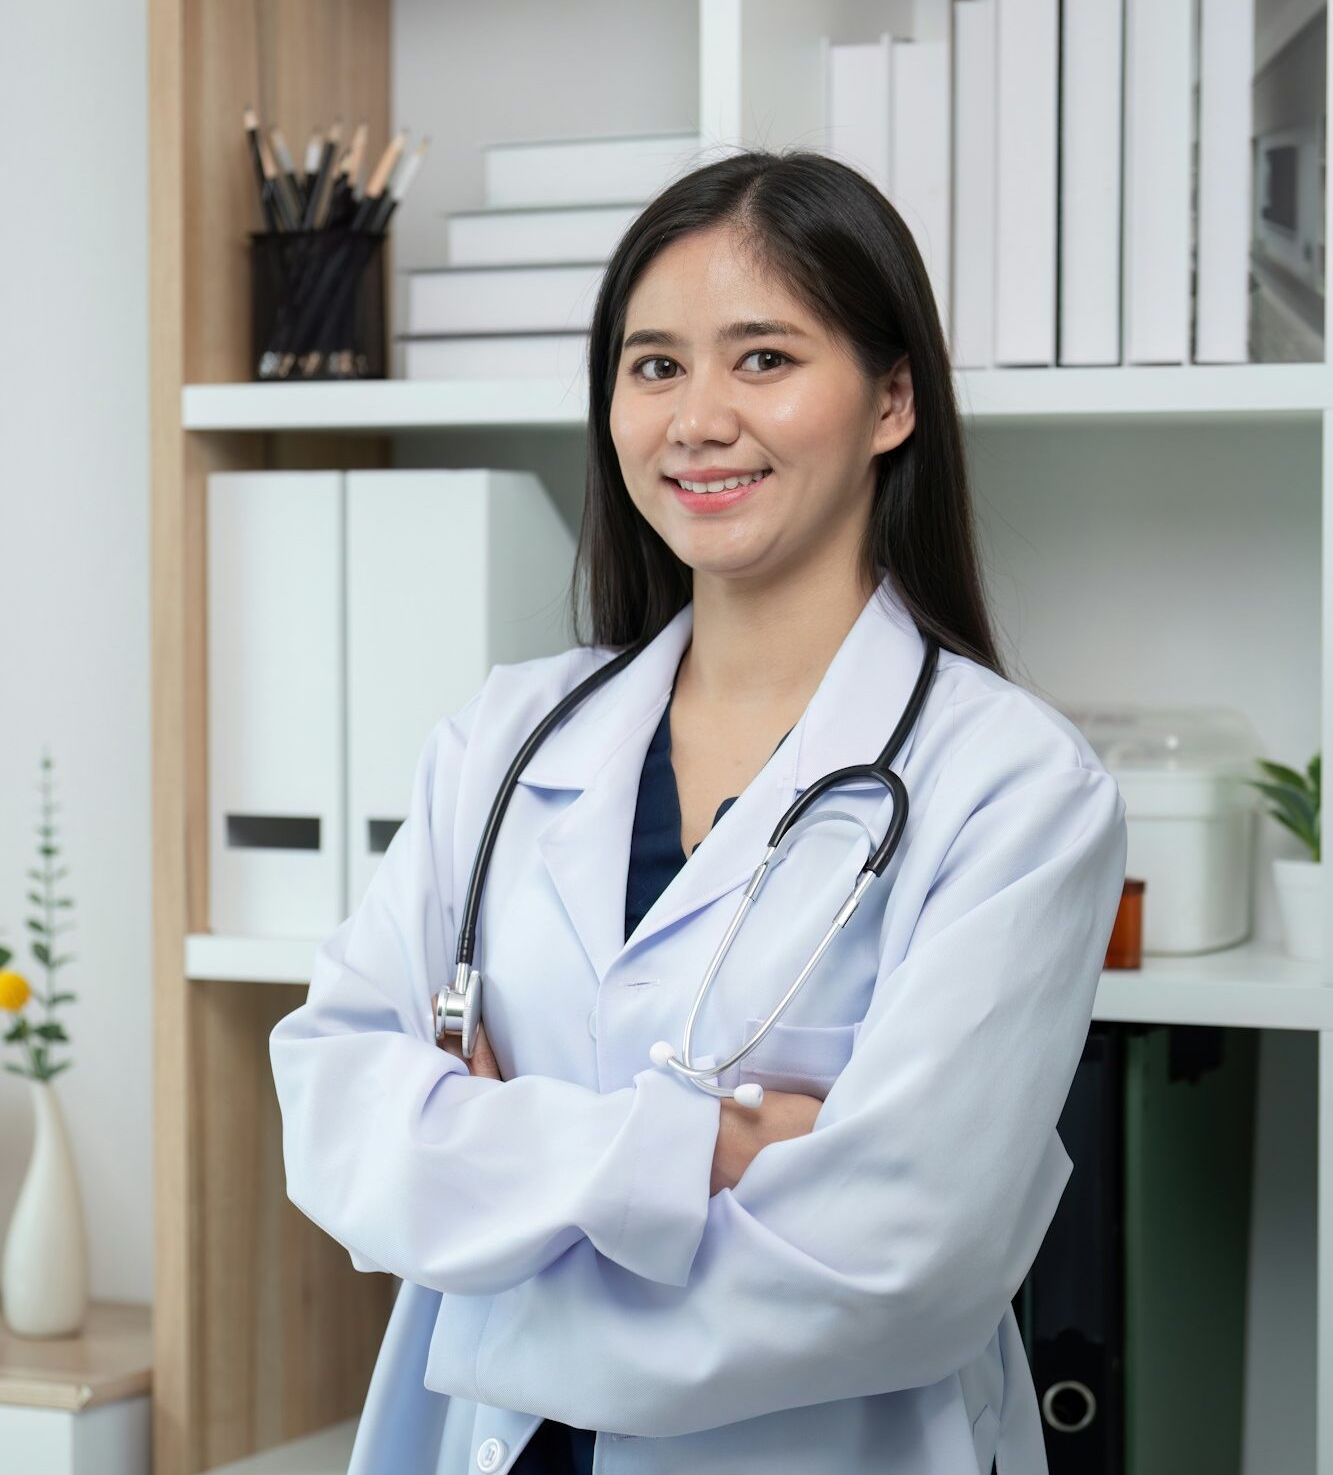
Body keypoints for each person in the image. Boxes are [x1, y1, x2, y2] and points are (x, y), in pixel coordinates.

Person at [269, 147, 1127, 1475]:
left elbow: (895, 1262)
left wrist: (487, 1246)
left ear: (891, 398)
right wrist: (709, 1145)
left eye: (764, 360)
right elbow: (338, 1115)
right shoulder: (503, 739)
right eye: (653, 365)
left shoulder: (1011, 790)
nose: (695, 419)